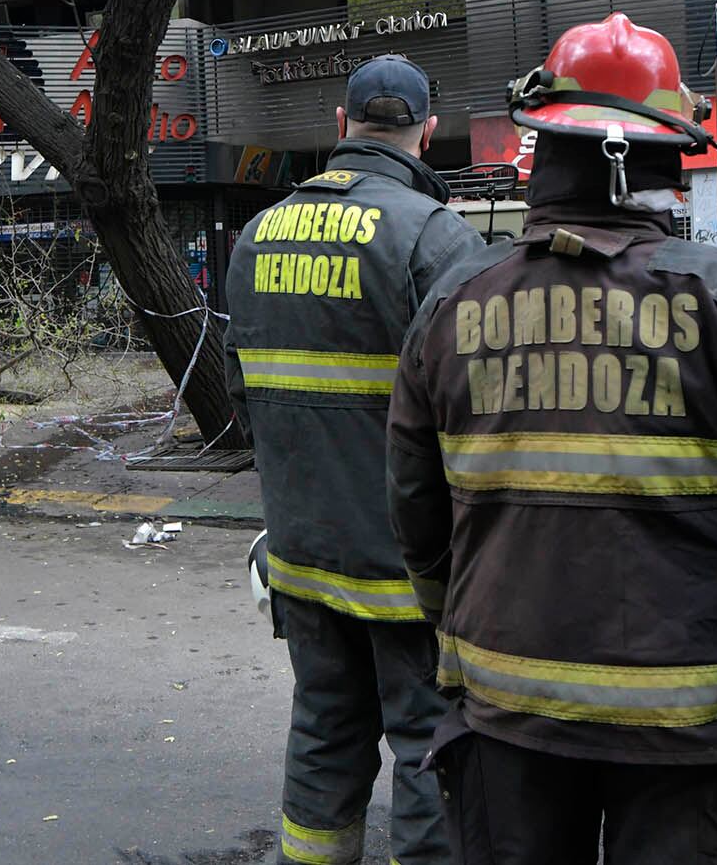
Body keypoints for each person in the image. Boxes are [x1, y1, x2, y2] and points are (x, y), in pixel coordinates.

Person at [386, 14, 717, 864]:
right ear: (661, 159)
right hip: (684, 729)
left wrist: (455, 613)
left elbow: (415, 510)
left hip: (505, 716)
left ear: (542, 148)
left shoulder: (453, 303)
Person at [224, 55, 483, 865]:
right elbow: (474, 416)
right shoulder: (436, 238)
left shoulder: (257, 237)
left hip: (302, 555)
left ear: (339, 126)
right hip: (408, 568)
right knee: (428, 742)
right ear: (427, 135)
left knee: (325, 727)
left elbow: (242, 400)